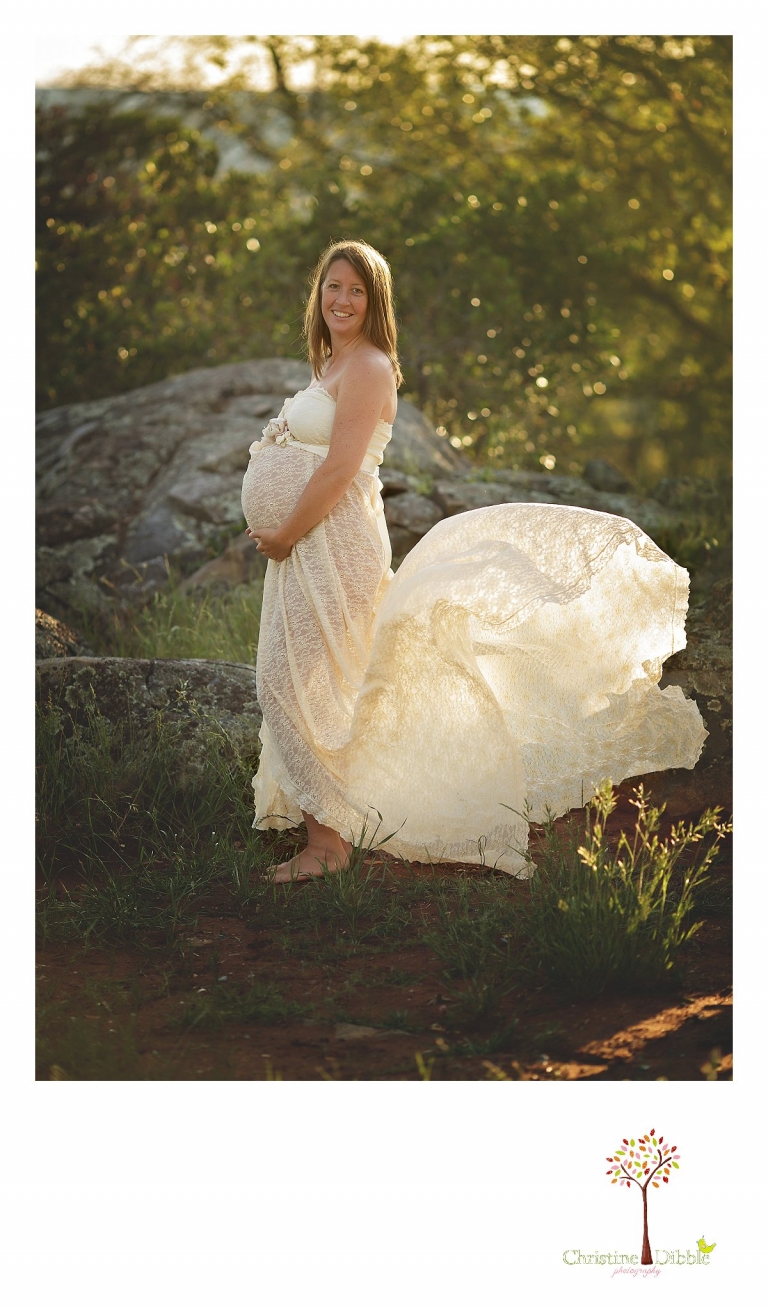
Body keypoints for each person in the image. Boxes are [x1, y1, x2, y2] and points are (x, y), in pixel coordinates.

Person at [241, 240, 706, 884]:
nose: (342, 300)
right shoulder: (330, 365)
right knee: (305, 678)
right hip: (306, 544)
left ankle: (329, 845)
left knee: (297, 680)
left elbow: (341, 468)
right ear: (317, 295)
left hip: (328, 541)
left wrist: (287, 530)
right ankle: (331, 828)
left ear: (376, 303)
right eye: (333, 287)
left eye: (356, 291)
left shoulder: (370, 366)